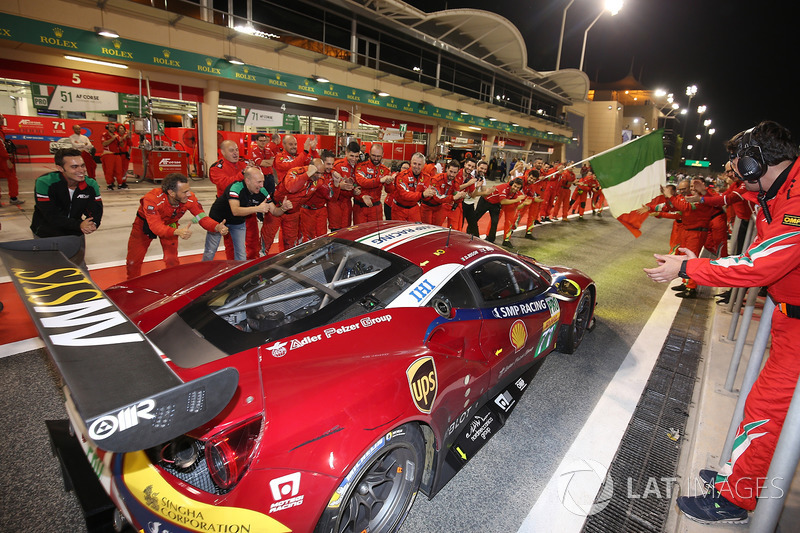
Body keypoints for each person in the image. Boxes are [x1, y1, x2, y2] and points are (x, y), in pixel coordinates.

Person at [644, 121, 800, 524]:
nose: (733, 168)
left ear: (754, 162)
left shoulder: (797, 198)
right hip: (788, 322)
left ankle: (735, 500)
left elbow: (759, 265)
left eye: (738, 161)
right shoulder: (780, 189)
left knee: (766, 412)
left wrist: (689, 268)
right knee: (761, 407)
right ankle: (740, 476)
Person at [125, 173, 227, 279]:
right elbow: (156, 227)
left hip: (170, 224)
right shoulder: (152, 199)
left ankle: (174, 283)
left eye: (188, 190)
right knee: (133, 261)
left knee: (172, 260)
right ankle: (131, 284)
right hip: (144, 225)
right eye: (184, 192)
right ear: (171, 193)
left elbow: (202, 217)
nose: (189, 194)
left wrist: (216, 226)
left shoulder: (190, 199)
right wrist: (177, 232)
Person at [30, 149, 103, 266]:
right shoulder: (45, 183)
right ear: (60, 168)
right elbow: (51, 216)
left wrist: (92, 224)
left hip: (74, 234)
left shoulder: (90, 184)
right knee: (47, 269)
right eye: (74, 167)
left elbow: (96, 211)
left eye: (82, 165)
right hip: (46, 233)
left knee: (78, 268)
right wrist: (79, 225)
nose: (81, 170)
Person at [203, 166, 286, 261]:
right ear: (247, 181)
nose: (262, 185)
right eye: (259, 182)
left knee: (241, 254)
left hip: (238, 221)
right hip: (218, 219)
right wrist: (257, 208)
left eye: (262, 181)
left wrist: (283, 208)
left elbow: (275, 211)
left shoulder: (262, 190)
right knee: (210, 251)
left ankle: (238, 274)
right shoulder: (236, 187)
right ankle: (203, 272)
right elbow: (235, 211)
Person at [209, 139, 260, 259]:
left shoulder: (245, 163)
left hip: (248, 206)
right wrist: (243, 173)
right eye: (231, 150)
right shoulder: (216, 168)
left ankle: (254, 265)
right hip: (230, 210)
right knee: (231, 243)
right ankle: (233, 269)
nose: (235, 153)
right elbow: (225, 184)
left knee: (253, 238)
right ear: (222, 152)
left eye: (236, 149)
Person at [472, 177, 526, 244]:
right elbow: (503, 201)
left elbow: (517, 206)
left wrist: (524, 204)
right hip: (485, 201)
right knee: (476, 218)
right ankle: (469, 234)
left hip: (495, 204)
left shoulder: (516, 193)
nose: (515, 188)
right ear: (512, 184)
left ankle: (491, 240)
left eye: (518, 187)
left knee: (495, 221)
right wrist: (516, 200)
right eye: (515, 186)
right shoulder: (504, 187)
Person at [300, 151, 337, 242]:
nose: (330, 167)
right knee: (307, 239)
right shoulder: (308, 174)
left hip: (321, 211)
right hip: (307, 211)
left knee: (322, 238)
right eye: (328, 164)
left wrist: (337, 185)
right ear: (322, 162)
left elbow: (332, 198)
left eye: (332, 164)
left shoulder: (333, 175)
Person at [354, 143, 394, 224]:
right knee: (359, 233)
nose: (376, 158)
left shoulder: (385, 170)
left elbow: (389, 191)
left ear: (383, 154)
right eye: (373, 155)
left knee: (375, 233)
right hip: (360, 207)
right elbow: (362, 182)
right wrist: (380, 180)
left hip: (375, 208)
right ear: (369, 153)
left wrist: (389, 183)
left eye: (378, 156)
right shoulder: (361, 166)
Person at [392, 152, 435, 222]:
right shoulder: (402, 176)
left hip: (414, 208)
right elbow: (404, 195)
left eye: (419, 164)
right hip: (399, 209)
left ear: (423, 165)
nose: (416, 166)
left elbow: (427, 197)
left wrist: (430, 194)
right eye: (414, 163)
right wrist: (422, 195)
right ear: (410, 163)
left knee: (417, 230)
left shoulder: (427, 177)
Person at [0, 113, 23, 205]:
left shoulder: (1, 131)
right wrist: (7, 159)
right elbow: (1, 147)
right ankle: (13, 197)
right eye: (1, 118)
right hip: (2, 158)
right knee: (11, 176)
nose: (2, 120)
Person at [463, 159, 488, 236]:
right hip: (462, 203)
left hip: (470, 203)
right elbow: (472, 194)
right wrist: (484, 192)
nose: (483, 170)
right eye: (481, 168)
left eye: (485, 169)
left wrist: (486, 192)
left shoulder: (482, 177)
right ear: (477, 167)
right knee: (458, 225)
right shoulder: (470, 175)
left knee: (474, 227)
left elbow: (484, 193)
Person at [100, 122, 127, 190]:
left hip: (117, 155)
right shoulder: (104, 135)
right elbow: (104, 143)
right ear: (108, 128)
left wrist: (121, 140)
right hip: (108, 154)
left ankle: (120, 184)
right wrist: (113, 138)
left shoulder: (117, 135)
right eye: (111, 127)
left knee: (119, 170)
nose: (112, 129)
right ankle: (109, 184)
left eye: (113, 127)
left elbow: (122, 145)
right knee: (109, 171)